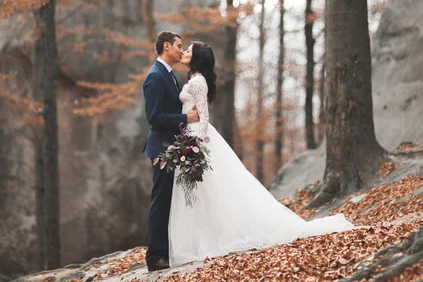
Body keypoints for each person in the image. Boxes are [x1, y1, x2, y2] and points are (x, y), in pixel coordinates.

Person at [167, 41, 354, 267]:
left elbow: (204, 117)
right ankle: (203, 237)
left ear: (196, 57)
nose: (184, 52)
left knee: (207, 189)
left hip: (196, 138)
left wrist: (197, 146)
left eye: (188, 50)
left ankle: (207, 239)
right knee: (204, 192)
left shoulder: (197, 81)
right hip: (189, 135)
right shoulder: (194, 79)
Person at [142, 31, 199, 271]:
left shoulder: (168, 74)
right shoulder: (155, 76)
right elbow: (154, 118)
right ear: (166, 46)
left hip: (173, 147)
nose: (181, 50)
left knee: (169, 200)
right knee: (161, 200)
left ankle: (167, 250)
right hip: (162, 149)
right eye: (179, 46)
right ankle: (155, 257)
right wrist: (185, 118)